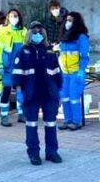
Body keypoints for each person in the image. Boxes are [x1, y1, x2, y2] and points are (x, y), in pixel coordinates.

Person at [13, 21, 63, 165]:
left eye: (40, 32)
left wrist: (58, 92)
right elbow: (17, 74)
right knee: (31, 124)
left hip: (49, 94)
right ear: (29, 34)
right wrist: (19, 92)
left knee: (51, 124)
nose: (37, 35)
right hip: (31, 94)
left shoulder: (49, 52)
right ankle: (33, 153)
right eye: (34, 32)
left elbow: (57, 74)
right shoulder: (23, 52)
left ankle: (52, 152)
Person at [58, 12, 90, 131]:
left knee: (74, 97)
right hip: (65, 72)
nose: (68, 22)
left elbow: (84, 56)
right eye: (67, 20)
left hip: (76, 72)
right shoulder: (65, 35)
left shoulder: (81, 37)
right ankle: (67, 120)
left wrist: (81, 70)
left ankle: (77, 121)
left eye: (70, 20)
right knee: (64, 97)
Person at [0, 8, 27, 126]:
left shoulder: (24, 31)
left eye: (15, 16)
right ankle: (4, 116)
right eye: (11, 16)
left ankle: (21, 114)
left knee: (21, 90)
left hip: (21, 66)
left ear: (19, 17)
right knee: (6, 90)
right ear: (7, 18)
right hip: (7, 66)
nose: (13, 18)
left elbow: (28, 48)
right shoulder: (3, 31)